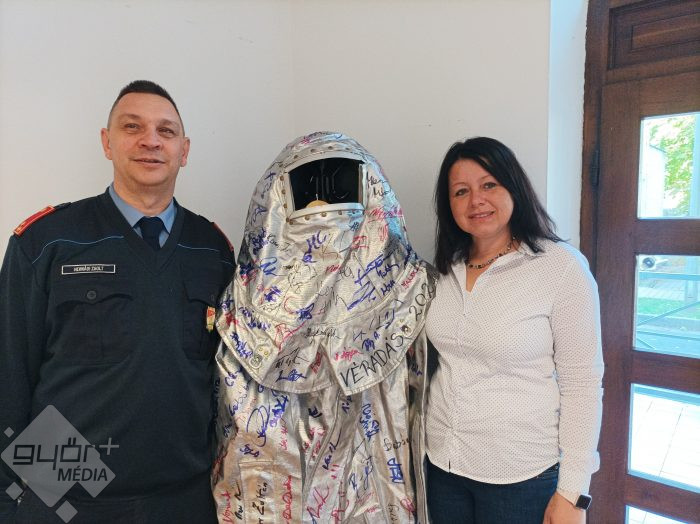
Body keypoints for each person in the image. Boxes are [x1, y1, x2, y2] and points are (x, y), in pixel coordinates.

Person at [0, 80, 235, 523]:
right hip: (70, 500)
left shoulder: (212, 250)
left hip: (186, 499)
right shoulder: (48, 242)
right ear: (107, 143)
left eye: (166, 131)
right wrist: (23, 502)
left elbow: (223, 384)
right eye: (132, 127)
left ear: (184, 150)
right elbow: (10, 377)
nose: (151, 140)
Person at [211, 132, 434, 522]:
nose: (324, 205)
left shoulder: (413, 288)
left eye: (338, 189)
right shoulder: (240, 302)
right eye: (309, 191)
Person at [423, 137, 603, 524]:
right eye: (461, 191)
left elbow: (583, 384)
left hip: (520, 476)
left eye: (489, 184)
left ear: (513, 188)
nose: (476, 201)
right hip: (441, 465)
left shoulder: (560, 268)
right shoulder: (444, 270)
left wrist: (573, 493)